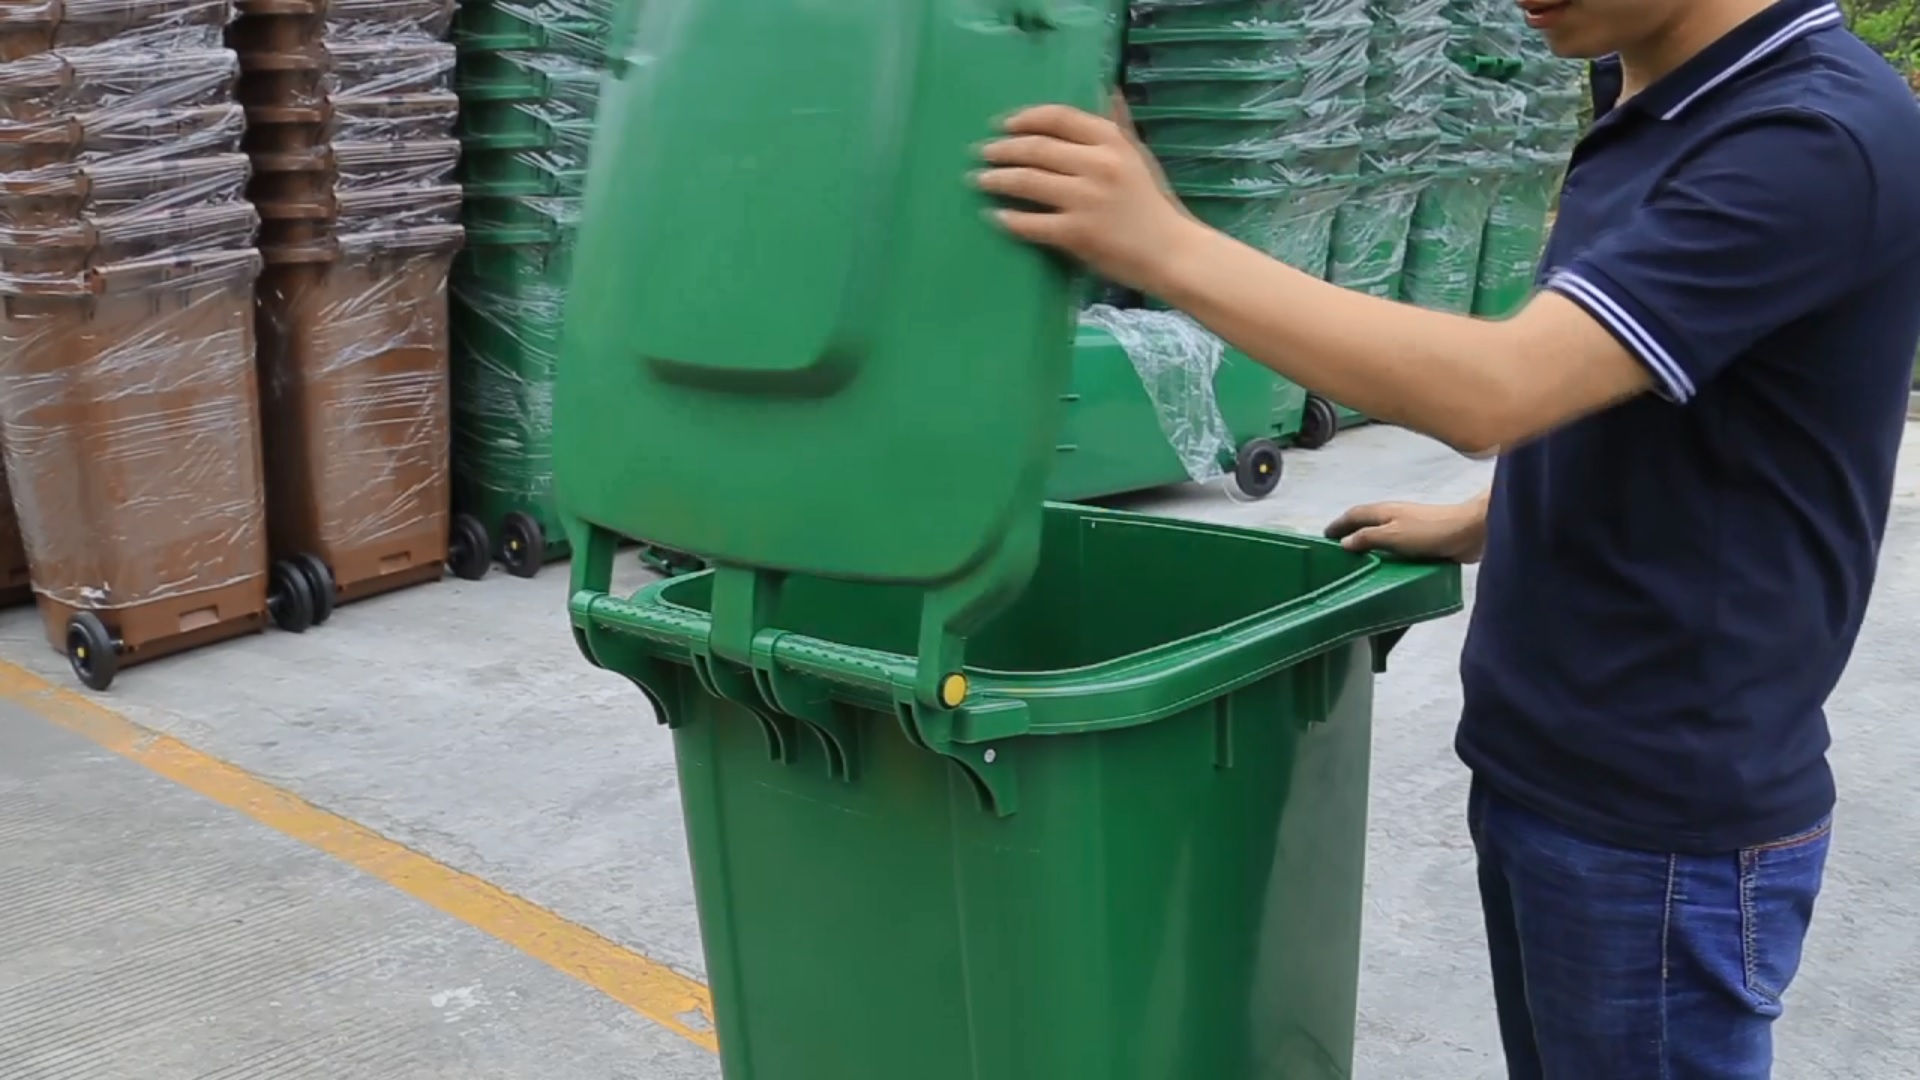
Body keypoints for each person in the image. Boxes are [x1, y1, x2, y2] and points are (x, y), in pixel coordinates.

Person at [975, 0, 1920, 1077]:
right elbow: (1655, 383)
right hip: (1554, 758)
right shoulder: (1648, 80)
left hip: (1661, 816)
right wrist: (1489, 517)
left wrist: (1163, 244)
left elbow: (1505, 387)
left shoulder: (1806, 136)